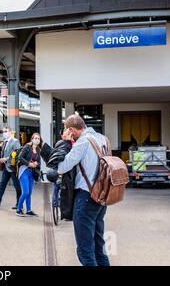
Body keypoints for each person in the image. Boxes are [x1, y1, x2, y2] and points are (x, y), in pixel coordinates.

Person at [55, 114, 110, 266]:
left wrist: (66, 142)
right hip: (102, 195)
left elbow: (61, 167)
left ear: (71, 130)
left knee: (85, 249)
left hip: (86, 197)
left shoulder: (83, 142)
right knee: (99, 245)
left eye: (68, 131)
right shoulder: (103, 138)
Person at [0, 126, 22, 210]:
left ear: (10, 132)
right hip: (6, 168)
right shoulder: (4, 142)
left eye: (6, 131)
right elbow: (4, 153)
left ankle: (19, 204)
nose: (4, 133)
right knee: (2, 185)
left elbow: (18, 154)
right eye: (3, 132)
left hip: (13, 168)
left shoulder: (15, 141)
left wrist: (5, 159)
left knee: (17, 186)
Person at [16, 133, 41, 217]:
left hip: (32, 172)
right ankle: (18, 209)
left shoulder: (38, 149)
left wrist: (36, 163)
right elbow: (20, 157)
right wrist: (28, 164)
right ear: (32, 139)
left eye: (38, 138)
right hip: (24, 171)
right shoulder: (27, 147)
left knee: (29, 193)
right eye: (35, 138)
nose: (37, 140)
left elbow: (39, 161)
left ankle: (28, 210)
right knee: (25, 192)